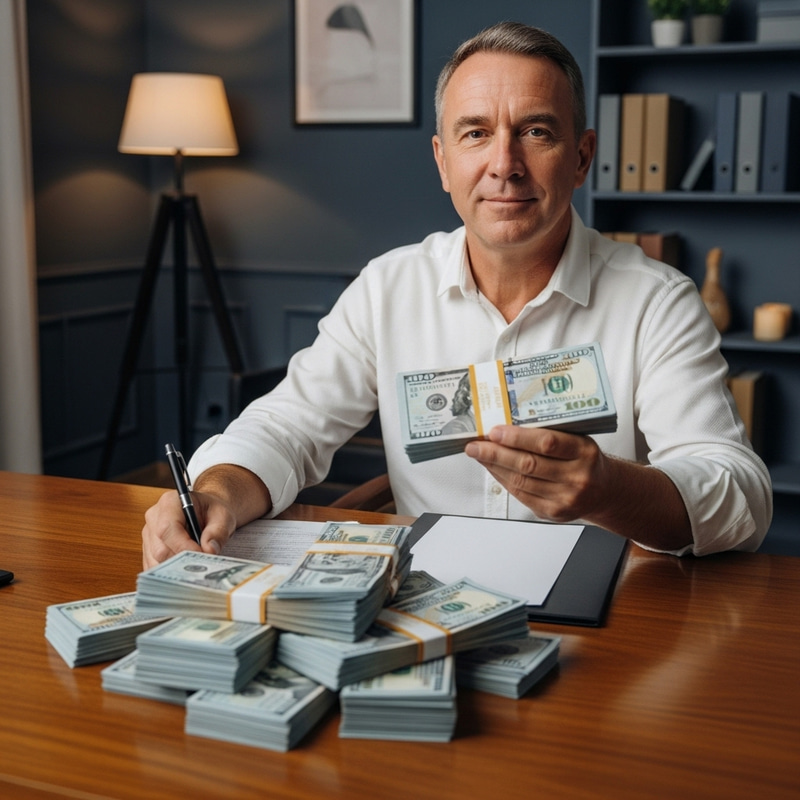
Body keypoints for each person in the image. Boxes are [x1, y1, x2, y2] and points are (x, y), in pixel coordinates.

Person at [142, 22, 772, 568]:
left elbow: (741, 495)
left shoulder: (658, 301)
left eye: (536, 132)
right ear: (443, 162)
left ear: (581, 159)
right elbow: (286, 426)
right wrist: (217, 492)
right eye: (475, 134)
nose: (505, 164)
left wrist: (609, 489)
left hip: (606, 616)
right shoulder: (388, 288)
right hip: (423, 607)